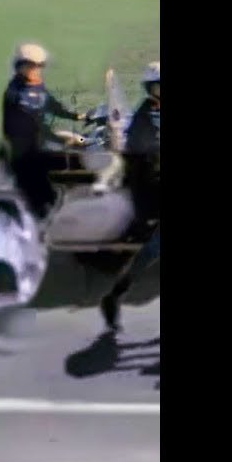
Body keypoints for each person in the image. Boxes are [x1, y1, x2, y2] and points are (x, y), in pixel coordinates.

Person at [100, 61, 160, 332]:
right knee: (152, 251)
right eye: (158, 87)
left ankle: (114, 296)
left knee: (152, 251)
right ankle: (114, 296)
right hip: (153, 191)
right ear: (150, 89)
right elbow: (138, 161)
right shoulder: (143, 120)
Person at [1, 43, 86, 219]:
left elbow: (52, 105)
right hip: (26, 155)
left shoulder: (37, 86)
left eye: (40, 66)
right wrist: (62, 139)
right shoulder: (17, 95)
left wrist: (77, 116)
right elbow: (33, 127)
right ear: (20, 66)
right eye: (31, 65)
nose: (36, 70)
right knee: (44, 195)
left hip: (40, 145)